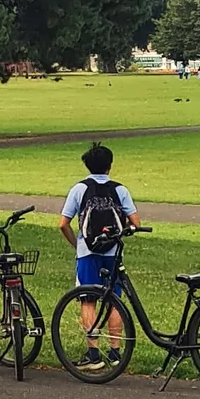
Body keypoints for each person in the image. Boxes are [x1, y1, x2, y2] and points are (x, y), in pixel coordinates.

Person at [59, 143, 140, 370]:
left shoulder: (79, 189)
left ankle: (93, 354)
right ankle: (116, 352)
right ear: (109, 166)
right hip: (112, 252)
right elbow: (135, 222)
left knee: (88, 300)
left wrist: (77, 244)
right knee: (114, 301)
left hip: (87, 252)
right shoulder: (120, 190)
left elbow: (63, 223)